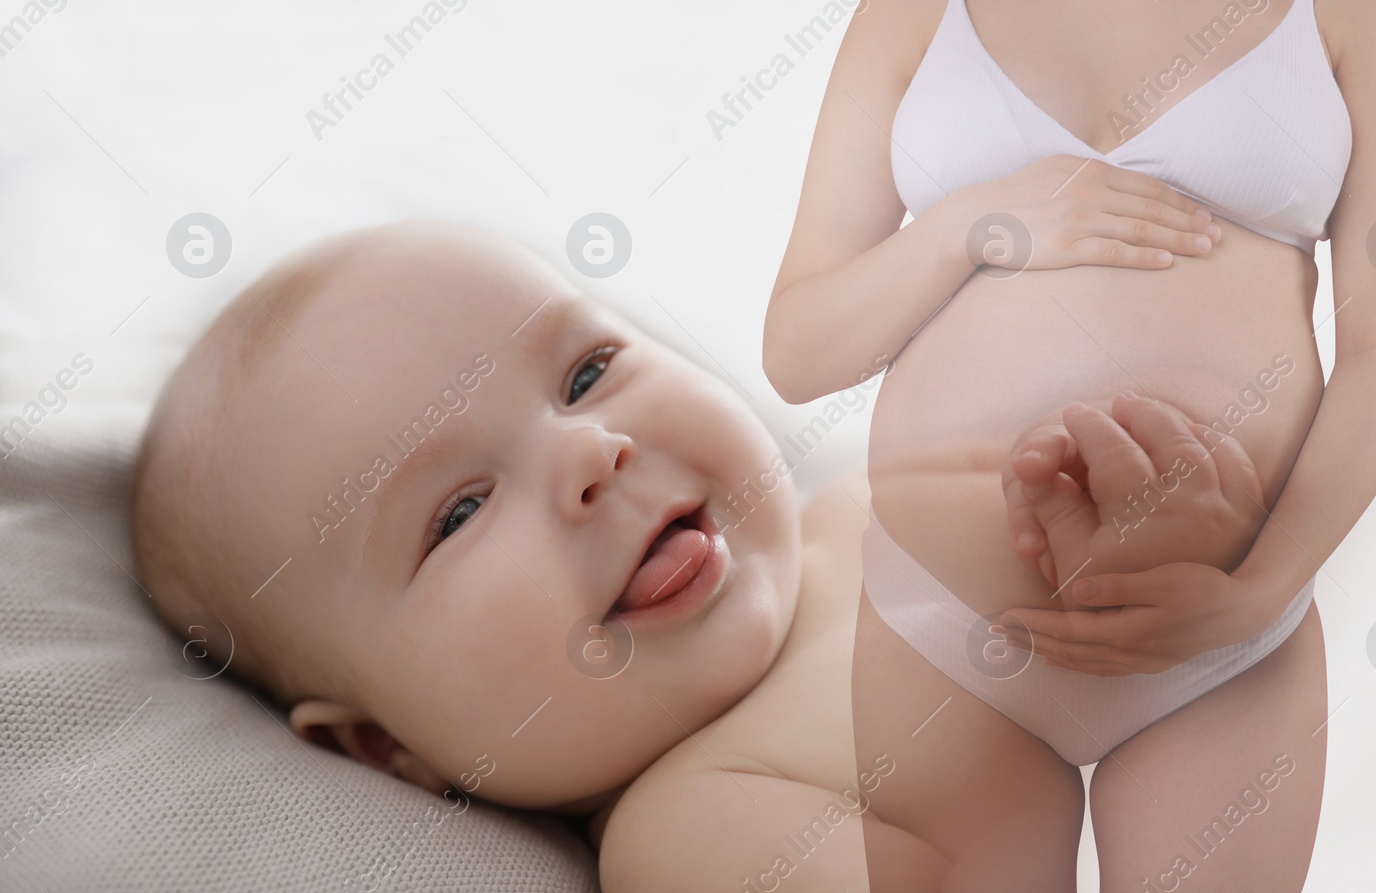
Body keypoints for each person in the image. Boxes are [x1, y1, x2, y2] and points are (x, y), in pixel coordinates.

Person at [131, 220, 1278, 890]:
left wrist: (1166, 512)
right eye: (460, 512)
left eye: (584, 374)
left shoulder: (872, 498)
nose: (591, 450)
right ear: (388, 745)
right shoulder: (688, 823)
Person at [763, 0, 1376, 887]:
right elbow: (801, 348)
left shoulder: (1355, 15)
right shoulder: (909, 15)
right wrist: (977, 222)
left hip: (1222, 649)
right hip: (942, 627)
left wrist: (1259, 593)